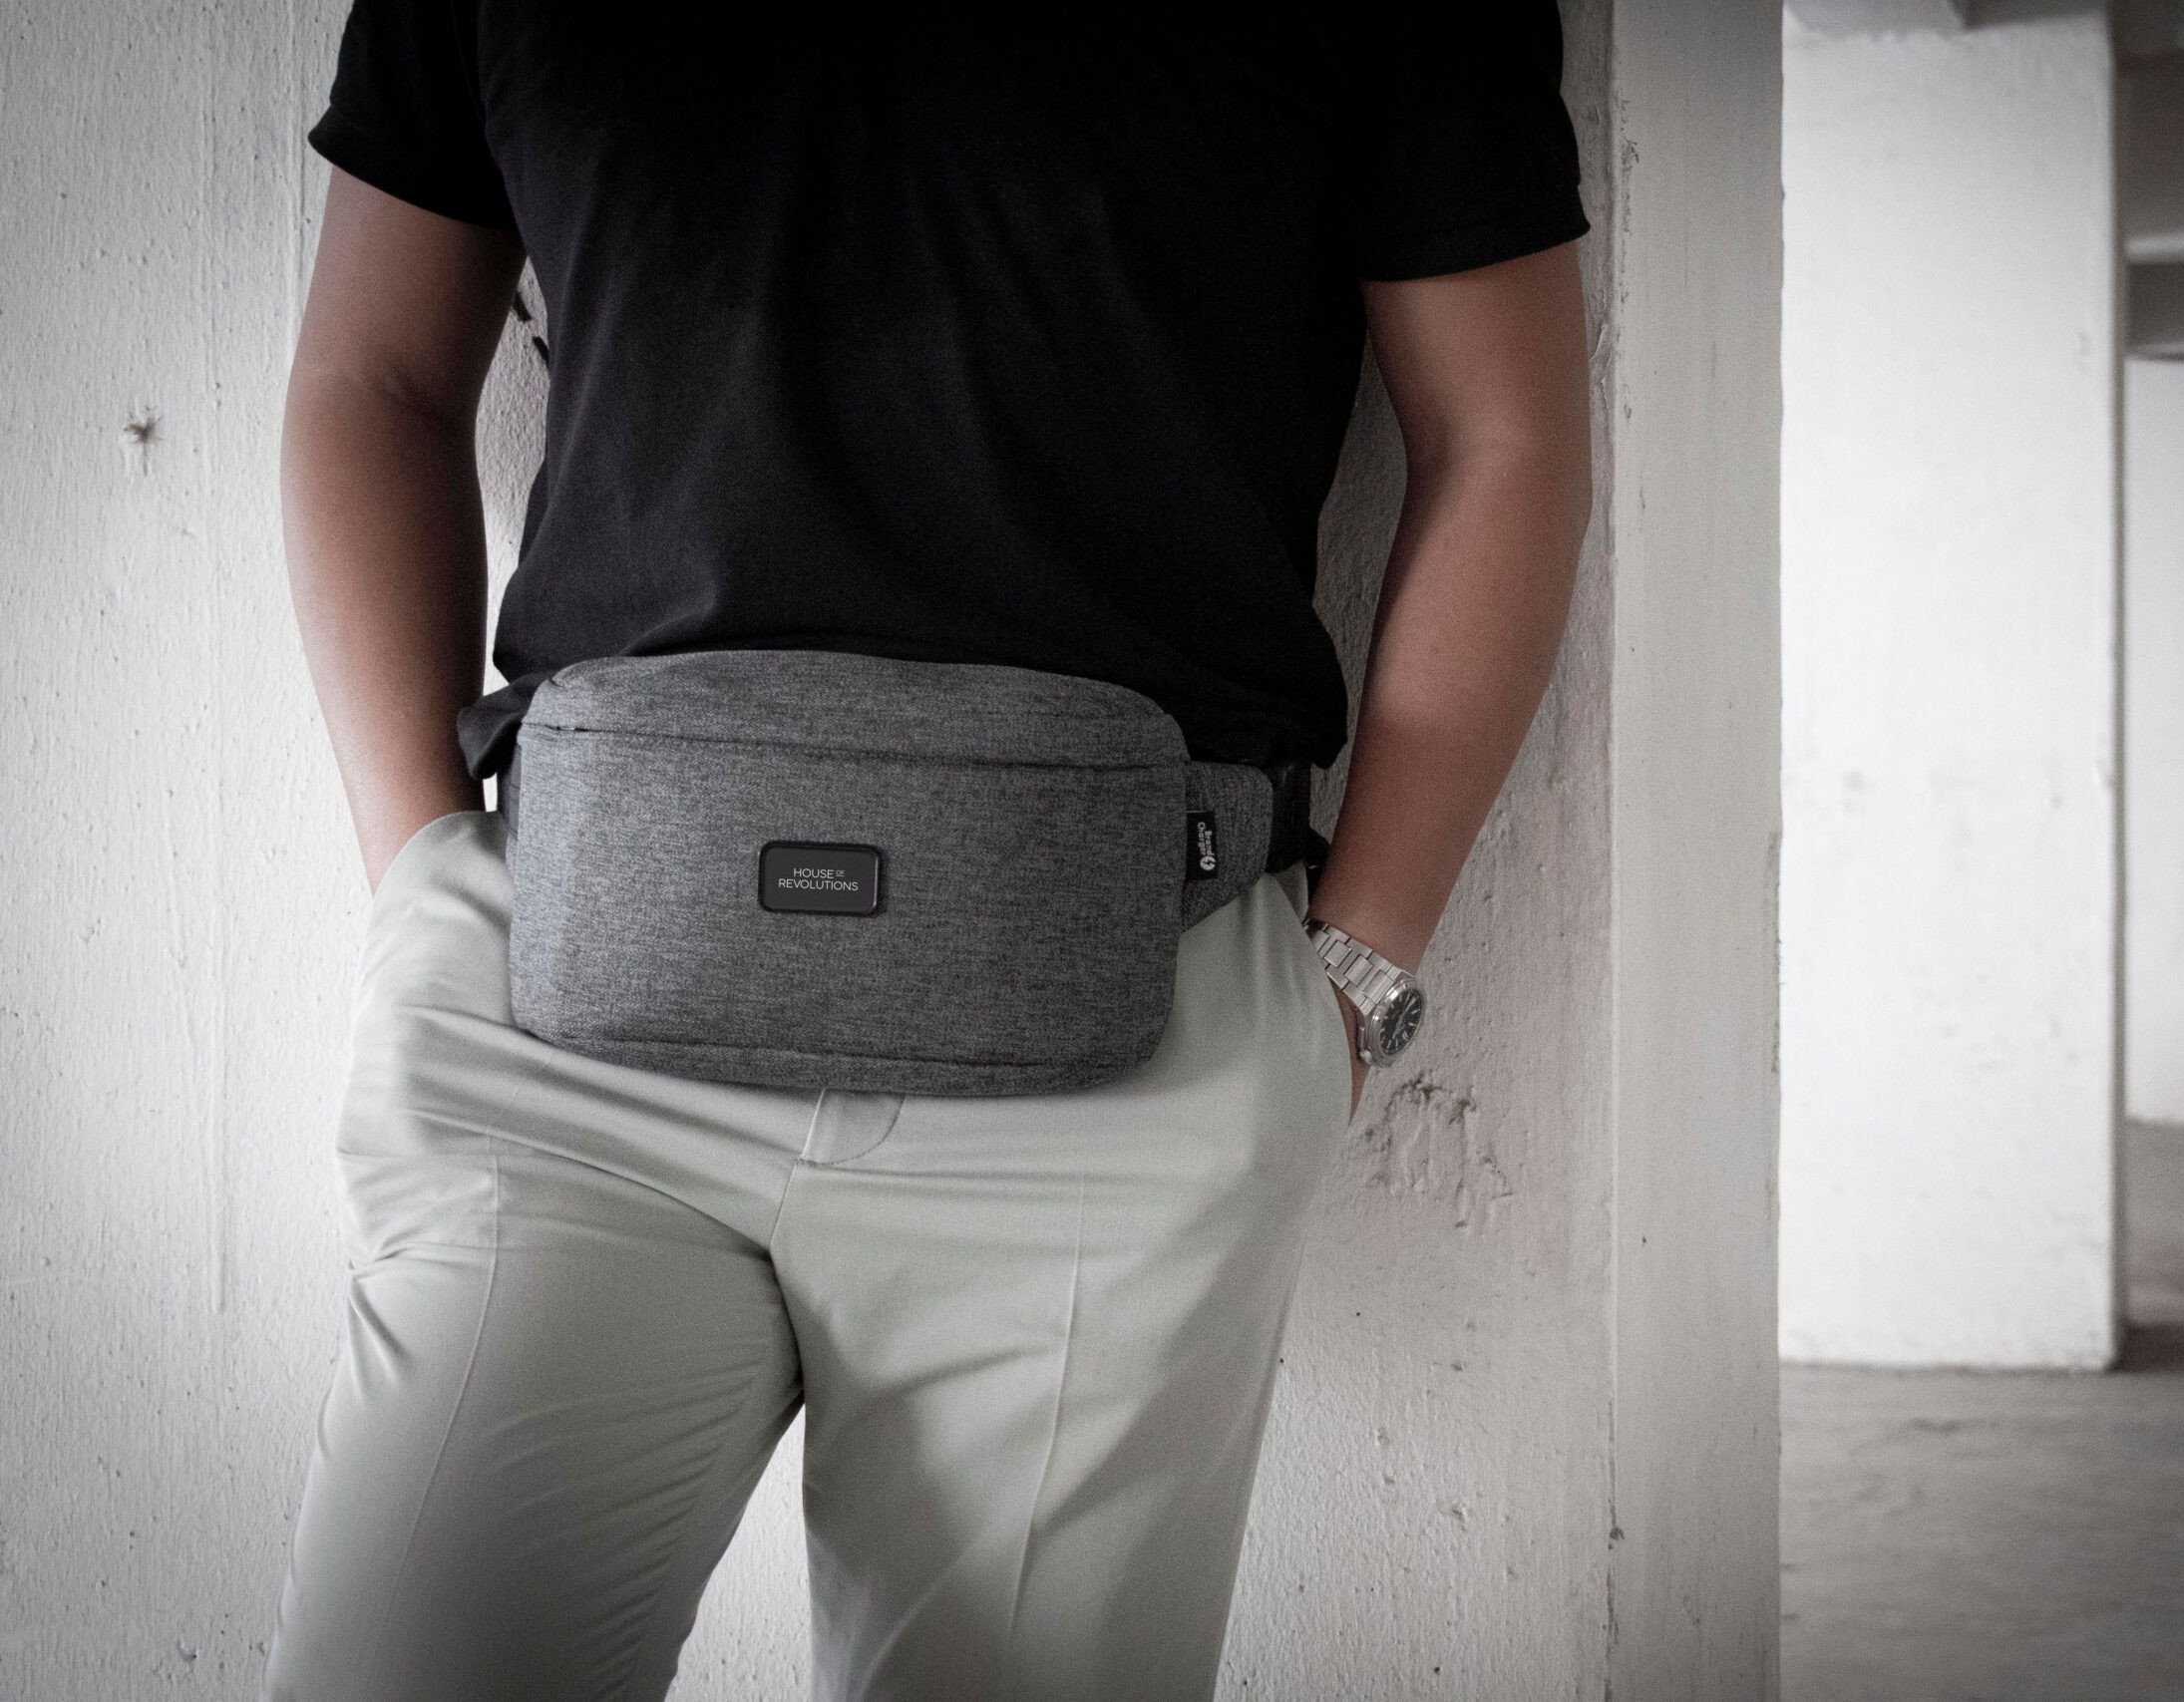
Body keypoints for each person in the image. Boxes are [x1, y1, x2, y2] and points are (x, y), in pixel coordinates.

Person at [266, 3, 1591, 1697]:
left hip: (1128, 1052)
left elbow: (1505, 436)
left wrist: (1350, 973)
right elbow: (370, 379)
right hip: (564, 1043)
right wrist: (422, 878)